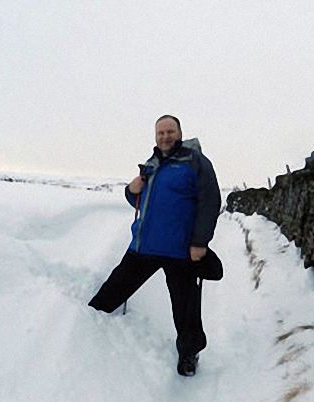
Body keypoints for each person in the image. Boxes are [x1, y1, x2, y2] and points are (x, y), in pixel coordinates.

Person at [88, 115, 221, 376]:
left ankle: (188, 354)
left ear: (180, 132)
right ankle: (89, 323)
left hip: (181, 250)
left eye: (170, 131)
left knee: (186, 307)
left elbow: (210, 203)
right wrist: (131, 189)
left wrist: (200, 242)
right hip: (144, 245)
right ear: (155, 136)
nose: (165, 136)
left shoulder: (196, 162)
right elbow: (142, 202)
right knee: (115, 287)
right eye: (160, 132)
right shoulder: (151, 164)